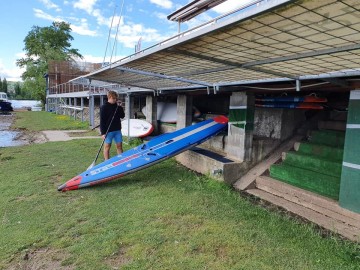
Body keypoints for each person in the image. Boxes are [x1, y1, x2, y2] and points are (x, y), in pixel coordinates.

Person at [100, 91, 125, 160]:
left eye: (116, 99)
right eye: (114, 98)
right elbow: (102, 121)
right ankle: (107, 162)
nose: (115, 100)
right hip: (108, 131)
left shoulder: (117, 107)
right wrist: (103, 133)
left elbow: (122, 116)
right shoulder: (104, 107)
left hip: (117, 130)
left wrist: (120, 107)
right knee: (107, 146)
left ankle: (121, 160)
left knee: (119, 146)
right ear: (109, 97)